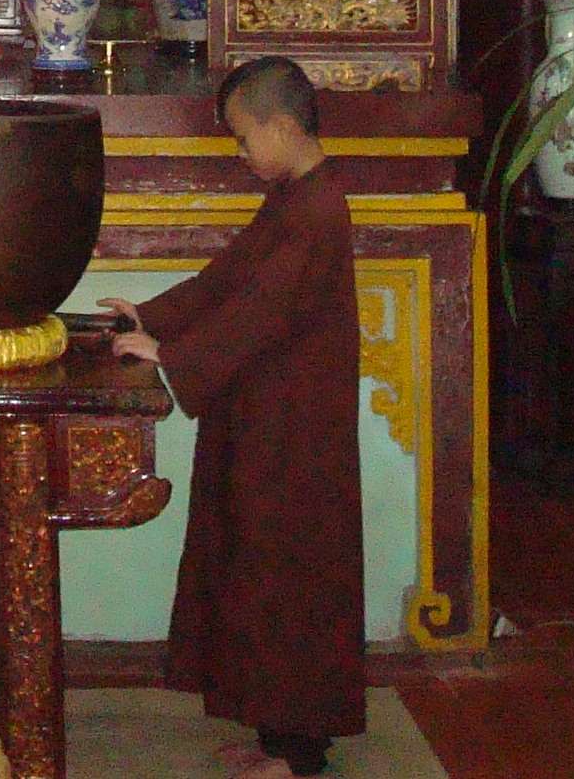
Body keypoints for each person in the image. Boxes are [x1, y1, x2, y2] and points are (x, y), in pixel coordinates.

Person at [102, 56, 365, 779]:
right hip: (264, 417)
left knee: (291, 583)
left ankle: (301, 756)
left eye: (243, 138)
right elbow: (230, 278)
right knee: (253, 574)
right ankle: (275, 735)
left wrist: (172, 355)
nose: (240, 153)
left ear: (282, 126)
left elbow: (261, 314)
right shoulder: (292, 197)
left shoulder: (319, 208)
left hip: (298, 433)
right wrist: (151, 316)